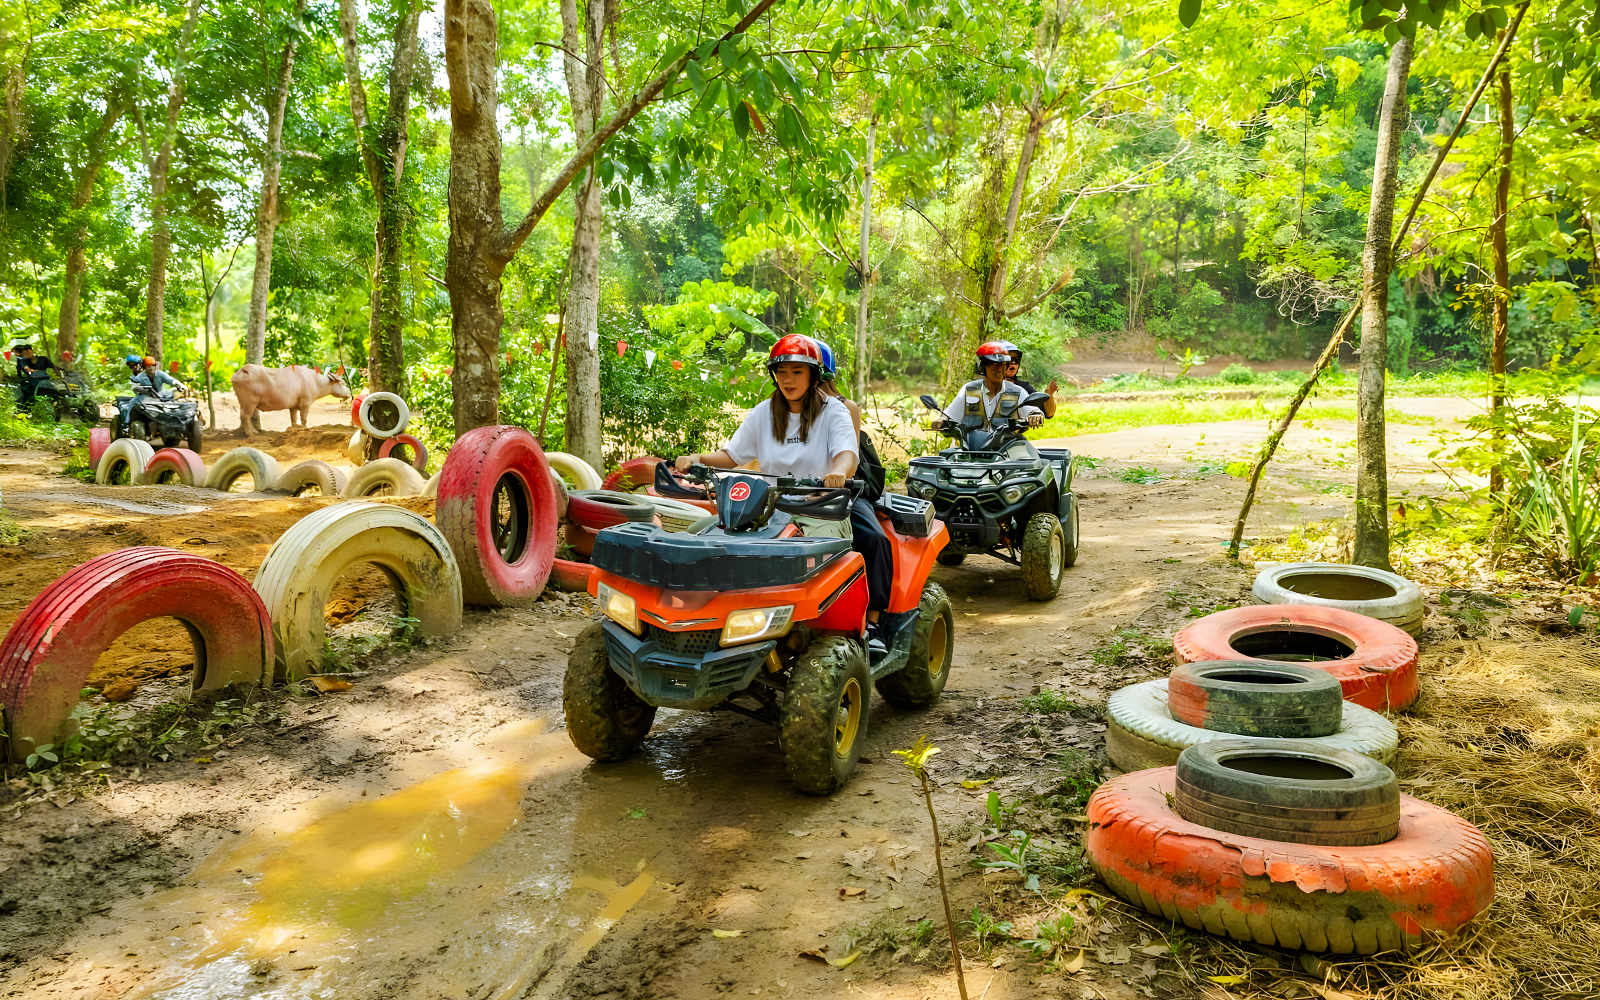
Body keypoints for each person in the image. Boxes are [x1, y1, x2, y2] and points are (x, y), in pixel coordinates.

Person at [674, 334, 858, 538]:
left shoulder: (833, 410)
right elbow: (731, 457)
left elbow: (846, 453)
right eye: (781, 372)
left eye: (797, 372)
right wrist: (698, 459)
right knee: (697, 534)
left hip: (820, 511)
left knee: (815, 550)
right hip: (770, 510)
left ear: (814, 376)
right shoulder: (764, 412)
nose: (788, 380)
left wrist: (839, 473)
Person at [811, 337, 893, 652]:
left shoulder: (846, 408)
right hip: (791, 491)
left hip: (842, 489)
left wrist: (835, 474)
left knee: (874, 538)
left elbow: (848, 455)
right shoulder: (781, 411)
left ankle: (872, 623)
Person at [942, 341, 1045, 430]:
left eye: (1003, 365)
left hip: (1007, 447)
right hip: (973, 447)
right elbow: (950, 415)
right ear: (983, 368)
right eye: (994, 365)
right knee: (948, 453)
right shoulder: (969, 390)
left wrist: (1035, 415)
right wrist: (941, 422)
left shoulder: (1017, 392)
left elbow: (1030, 409)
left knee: (1023, 453)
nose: (1000, 369)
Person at [997, 340, 1058, 418]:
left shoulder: (1023, 388)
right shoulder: (981, 386)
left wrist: (1048, 393)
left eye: (1015, 360)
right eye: (1008, 360)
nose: (1012, 364)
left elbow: (1048, 413)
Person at [12, 342, 61, 408]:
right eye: (25, 353)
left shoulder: (43, 359)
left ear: (31, 351)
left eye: (28, 352)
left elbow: (53, 366)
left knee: (54, 391)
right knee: (28, 393)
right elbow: (25, 368)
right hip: (33, 381)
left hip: (45, 380)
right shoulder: (23, 361)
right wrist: (28, 370)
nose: (27, 354)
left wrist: (59, 372)